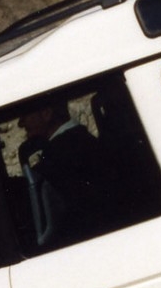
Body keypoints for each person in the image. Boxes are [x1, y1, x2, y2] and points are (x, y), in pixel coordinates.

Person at [17, 99, 106, 249]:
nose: (21, 124)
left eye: (26, 115)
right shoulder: (76, 140)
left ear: (46, 113)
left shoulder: (64, 150)